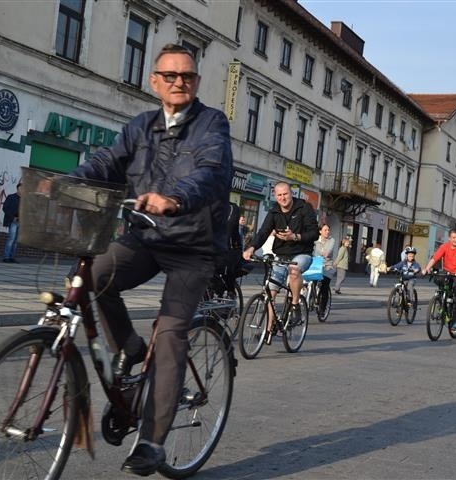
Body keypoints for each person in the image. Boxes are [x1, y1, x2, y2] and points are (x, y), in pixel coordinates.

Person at [69, 44, 233, 476]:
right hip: (147, 237)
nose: (180, 82)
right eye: (171, 75)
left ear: (196, 82)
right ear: (154, 81)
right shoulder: (140, 126)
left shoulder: (212, 124)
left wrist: (175, 199)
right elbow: (108, 161)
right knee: (94, 277)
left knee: (171, 336)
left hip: (193, 248)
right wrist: (66, 181)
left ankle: (152, 441)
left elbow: (212, 171)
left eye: (188, 76)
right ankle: (128, 345)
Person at [243, 181, 318, 344]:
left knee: (294, 269)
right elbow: (263, 232)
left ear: (291, 194)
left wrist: (295, 237)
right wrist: (251, 248)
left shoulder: (304, 208)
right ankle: (268, 330)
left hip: (302, 254)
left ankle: (295, 304)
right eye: (279, 195)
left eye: (285, 194)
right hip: (281, 255)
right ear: (275, 196)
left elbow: (314, 233)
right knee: (271, 291)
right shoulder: (274, 211)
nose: (283, 198)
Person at [421, 229, 456, 334]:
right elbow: (435, 258)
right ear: (449, 238)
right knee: (439, 281)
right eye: (453, 238)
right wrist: (426, 268)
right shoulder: (444, 246)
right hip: (447, 272)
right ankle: (441, 301)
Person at [313, 223, 336, 310]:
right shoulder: (315, 241)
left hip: (327, 266)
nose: (327, 232)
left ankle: (322, 308)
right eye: (325, 230)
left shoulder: (331, 240)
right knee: (311, 281)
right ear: (320, 231)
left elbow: (328, 252)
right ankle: (313, 297)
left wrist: (324, 253)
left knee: (324, 286)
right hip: (316, 264)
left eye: (328, 230)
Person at [2, 183, 22, 263]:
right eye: (21, 188)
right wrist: (13, 217)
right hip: (13, 221)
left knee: (16, 241)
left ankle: (12, 257)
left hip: (21, 222)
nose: (22, 190)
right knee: (11, 239)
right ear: (17, 189)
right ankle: (6, 257)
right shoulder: (11, 197)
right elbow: (5, 208)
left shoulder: (25, 199)